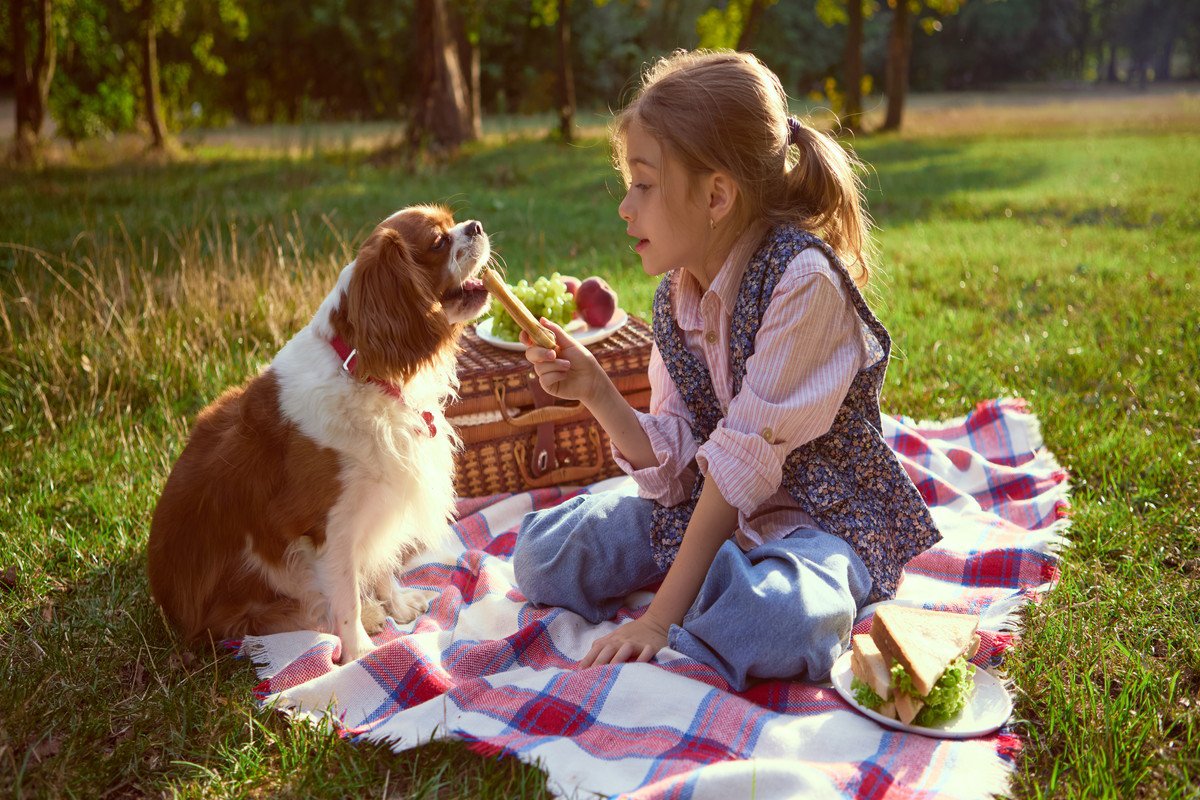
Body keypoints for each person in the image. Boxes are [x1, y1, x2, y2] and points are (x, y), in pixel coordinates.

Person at [511, 49, 940, 691]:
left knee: (771, 620)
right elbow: (678, 462)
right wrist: (595, 390)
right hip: (712, 515)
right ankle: (710, 576)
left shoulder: (805, 282)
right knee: (542, 556)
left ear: (716, 195)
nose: (625, 208)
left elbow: (740, 460)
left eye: (644, 185)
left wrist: (659, 619)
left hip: (816, 522)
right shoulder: (675, 297)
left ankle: (713, 591)